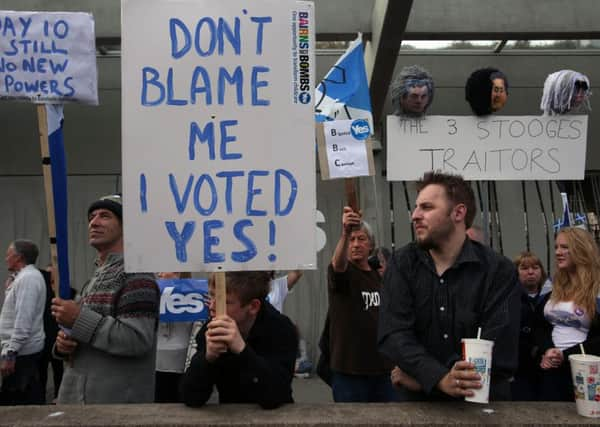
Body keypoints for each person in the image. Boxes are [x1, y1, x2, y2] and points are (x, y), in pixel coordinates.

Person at [378, 171, 520, 401]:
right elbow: (393, 334)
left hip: (481, 408)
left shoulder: (498, 271)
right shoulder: (402, 264)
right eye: (416, 207)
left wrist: (423, 378)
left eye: (426, 207)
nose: (415, 215)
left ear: (458, 212)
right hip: (417, 408)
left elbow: (498, 348)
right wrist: (439, 378)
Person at [51, 194, 160, 404]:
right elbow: (87, 333)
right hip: (82, 403)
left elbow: (137, 340)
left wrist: (78, 319)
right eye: (92, 217)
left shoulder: (136, 274)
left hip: (114, 409)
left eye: (105, 215)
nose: (94, 222)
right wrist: (64, 345)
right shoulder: (97, 275)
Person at [181, 271, 297, 409]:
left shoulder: (281, 329)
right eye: (211, 296)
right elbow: (190, 397)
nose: (211, 307)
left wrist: (242, 350)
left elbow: (275, 395)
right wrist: (207, 358)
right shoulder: (210, 329)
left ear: (253, 306)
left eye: (224, 302)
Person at [326, 208, 395, 402]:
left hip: (383, 370)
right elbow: (337, 265)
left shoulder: (378, 276)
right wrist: (345, 233)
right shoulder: (344, 275)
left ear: (371, 244)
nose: (356, 244)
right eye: (352, 240)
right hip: (350, 372)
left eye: (361, 239)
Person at [534, 227, 600, 401]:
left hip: (586, 373)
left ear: (581, 249)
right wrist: (547, 349)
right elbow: (539, 325)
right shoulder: (552, 285)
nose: (558, 252)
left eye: (564, 247)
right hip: (551, 369)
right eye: (556, 247)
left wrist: (567, 354)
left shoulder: (597, 289)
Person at [0, 240, 46, 405]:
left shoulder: (28, 279)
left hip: (22, 354)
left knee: (19, 404)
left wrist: (11, 354)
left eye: (8, 254)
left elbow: (23, 319)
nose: (6, 258)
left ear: (18, 257)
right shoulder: (23, 278)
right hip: (20, 352)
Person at [511, 251, 551, 400]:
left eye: (535, 267)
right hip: (520, 366)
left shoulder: (552, 297)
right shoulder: (510, 298)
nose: (530, 272)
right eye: (524, 268)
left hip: (546, 363)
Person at [155, 272, 195, 403]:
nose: (165, 274)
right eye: (158, 272)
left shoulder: (193, 292)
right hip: (153, 361)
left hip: (183, 361)